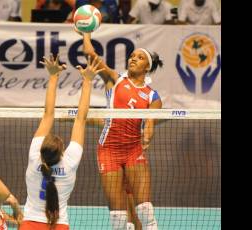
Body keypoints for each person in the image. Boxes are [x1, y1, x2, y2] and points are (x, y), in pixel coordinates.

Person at [79, 31, 163, 230]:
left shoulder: (153, 96)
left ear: (147, 67)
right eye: (132, 56)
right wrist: (86, 33)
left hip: (134, 150)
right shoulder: (115, 80)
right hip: (108, 150)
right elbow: (91, 55)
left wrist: (148, 134)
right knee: (118, 216)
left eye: (140, 57)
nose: (133, 59)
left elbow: (150, 123)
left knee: (145, 210)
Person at [19, 54, 103, 230]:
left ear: (41, 150)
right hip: (58, 225)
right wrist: (87, 81)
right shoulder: (70, 161)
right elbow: (81, 118)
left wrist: (53, 76)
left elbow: (48, 114)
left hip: (29, 224)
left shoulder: (34, 156)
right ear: (62, 152)